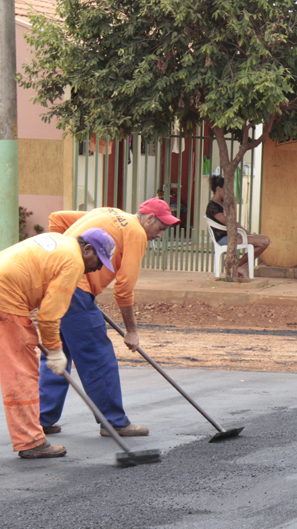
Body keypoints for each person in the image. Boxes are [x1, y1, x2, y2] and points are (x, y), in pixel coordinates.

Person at [38, 198, 179, 438]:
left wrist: (61, 258)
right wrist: (131, 330)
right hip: (76, 290)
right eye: (161, 228)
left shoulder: (109, 212)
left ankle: (42, 419)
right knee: (97, 356)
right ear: (149, 218)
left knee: (56, 352)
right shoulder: (137, 233)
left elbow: (57, 219)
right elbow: (123, 289)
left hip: (55, 283)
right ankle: (114, 422)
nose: (160, 235)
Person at [0, 229, 115, 458]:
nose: (98, 268)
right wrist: (55, 350)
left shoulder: (61, 242)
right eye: (98, 261)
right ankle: (30, 442)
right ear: (87, 249)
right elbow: (49, 315)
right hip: (6, 300)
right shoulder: (73, 262)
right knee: (22, 373)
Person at [205, 175, 270, 278]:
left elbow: (234, 223)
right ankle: (237, 266)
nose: (229, 192)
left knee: (264, 241)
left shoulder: (223, 203)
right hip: (224, 239)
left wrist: (246, 232)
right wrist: (234, 202)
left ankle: (241, 267)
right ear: (218, 189)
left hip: (234, 235)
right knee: (264, 241)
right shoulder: (213, 207)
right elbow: (231, 223)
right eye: (227, 189)